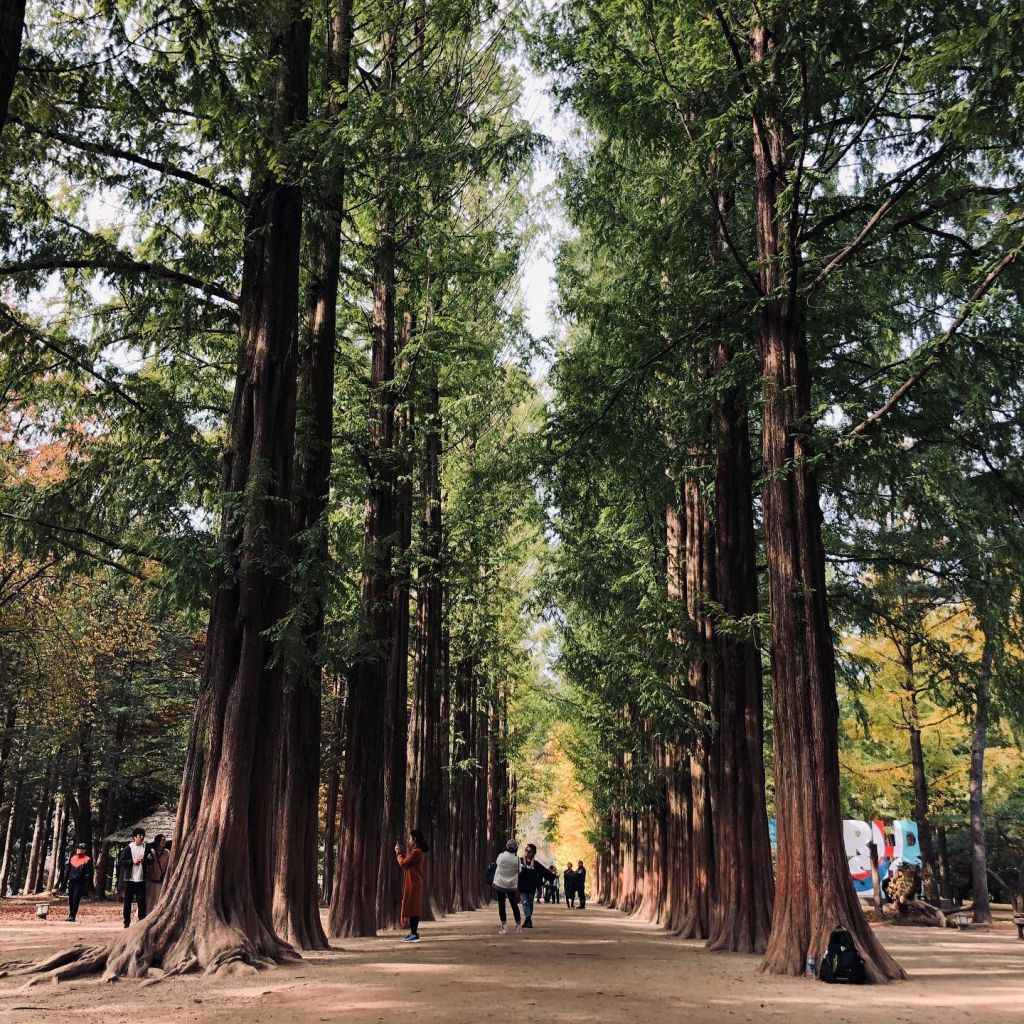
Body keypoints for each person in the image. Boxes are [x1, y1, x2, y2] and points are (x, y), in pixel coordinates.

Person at [395, 828, 430, 943]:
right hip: (413, 882)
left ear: (414, 839)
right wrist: (401, 854)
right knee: (412, 907)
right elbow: (408, 861)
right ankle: (412, 933)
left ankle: (414, 934)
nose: (409, 840)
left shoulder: (416, 852)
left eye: (410, 838)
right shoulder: (416, 852)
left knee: (413, 908)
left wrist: (398, 854)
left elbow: (403, 863)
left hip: (414, 883)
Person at [518, 843, 555, 929]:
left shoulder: (536, 864)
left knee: (530, 904)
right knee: (525, 903)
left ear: (533, 853)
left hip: (531, 887)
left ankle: (528, 920)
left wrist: (551, 877)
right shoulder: (519, 861)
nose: (527, 852)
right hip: (522, 886)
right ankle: (528, 919)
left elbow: (544, 872)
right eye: (526, 850)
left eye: (529, 851)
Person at [117, 827, 148, 928]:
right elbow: (121, 862)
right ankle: (126, 922)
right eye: (139, 836)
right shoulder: (128, 848)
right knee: (127, 901)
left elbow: (151, 861)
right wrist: (132, 861)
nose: (141, 838)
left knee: (141, 900)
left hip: (141, 878)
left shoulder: (146, 848)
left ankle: (142, 920)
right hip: (129, 879)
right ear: (134, 837)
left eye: (143, 836)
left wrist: (146, 860)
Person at [492, 839, 522, 934]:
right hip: (512, 885)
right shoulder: (517, 860)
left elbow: (497, 864)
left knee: (501, 905)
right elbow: (520, 871)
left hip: (500, 883)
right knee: (514, 905)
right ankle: (518, 926)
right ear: (515, 849)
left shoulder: (500, 856)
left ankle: (504, 927)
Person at [65, 842, 93, 922]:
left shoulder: (87, 859)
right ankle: (70, 914)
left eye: (80, 849)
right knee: (70, 899)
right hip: (71, 882)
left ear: (84, 850)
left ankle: (73, 916)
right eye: (78, 848)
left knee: (76, 899)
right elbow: (68, 871)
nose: (79, 850)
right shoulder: (73, 858)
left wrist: (85, 884)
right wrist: (65, 881)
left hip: (80, 883)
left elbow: (89, 873)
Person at [145, 833, 170, 911]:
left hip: (160, 879)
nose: (165, 841)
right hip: (151, 879)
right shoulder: (151, 852)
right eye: (163, 840)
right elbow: (147, 864)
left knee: (158, 899)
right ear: (158, 841)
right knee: (148, 899)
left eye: (165, 840)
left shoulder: (167, 853)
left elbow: (168, 866)